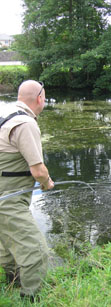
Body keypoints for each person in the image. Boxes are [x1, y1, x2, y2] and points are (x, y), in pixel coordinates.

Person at [0, 80, 54, 300]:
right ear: (40, 98)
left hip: (2, 196)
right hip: (9, 199)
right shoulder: (26, 124)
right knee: (35, 250)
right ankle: (31, 298)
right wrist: (47, 183)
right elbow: (38, 170)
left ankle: (11, 283)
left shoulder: (7, 114)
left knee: (7, 244)